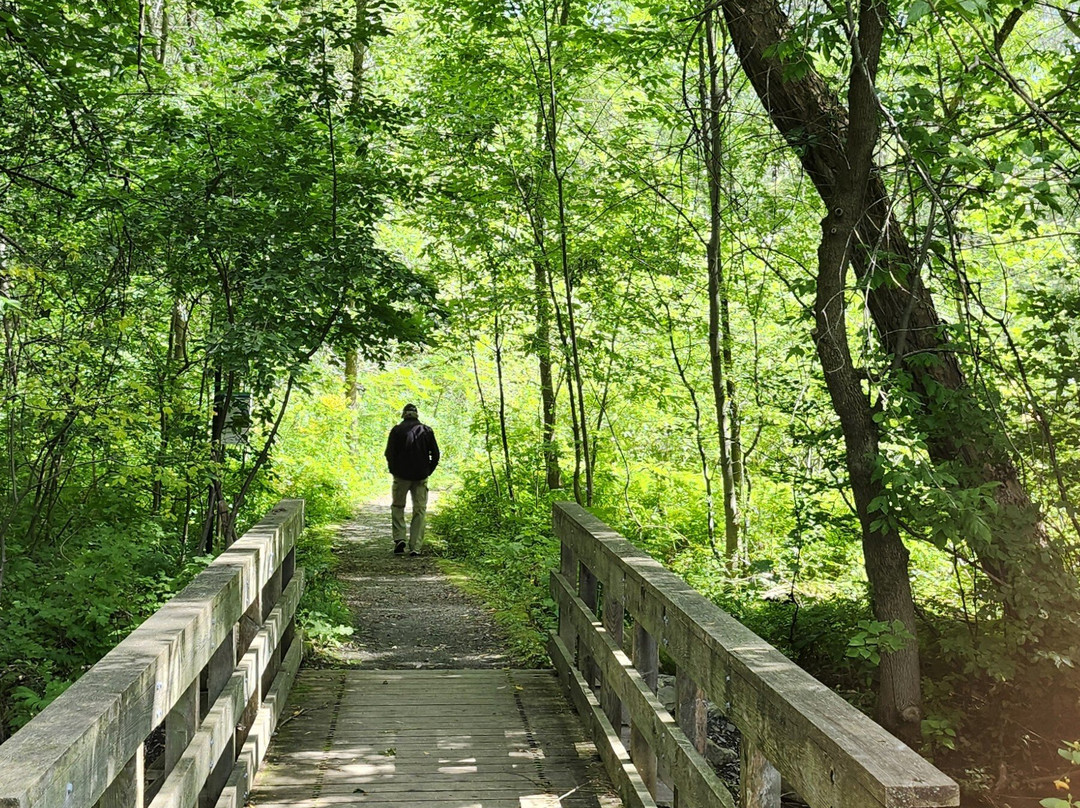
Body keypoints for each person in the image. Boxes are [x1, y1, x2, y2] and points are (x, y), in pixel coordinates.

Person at [384, 403, 440, 556]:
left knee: (397, 506)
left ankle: (399, 538)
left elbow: (389, 453)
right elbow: (436, 455)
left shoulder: (396, 430)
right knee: (419, 510)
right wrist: (428, 470)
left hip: (401, 476)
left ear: (404, 415)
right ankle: (415, 546)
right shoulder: (426, 431)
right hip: (420, 477)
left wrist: (394, 470)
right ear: (416, 415)